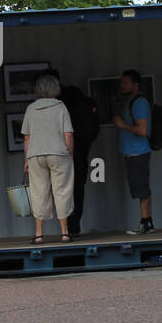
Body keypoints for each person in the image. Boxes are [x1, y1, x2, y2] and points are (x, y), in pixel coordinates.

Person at [44, 68, 99, 237]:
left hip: (63, 151)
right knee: (76, 188)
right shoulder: (77, 95)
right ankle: (73, 226)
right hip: (80, 149)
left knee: (60, 188)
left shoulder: (54, 102)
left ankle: (67, 228)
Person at [21, 73, 75, 243]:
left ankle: (38, 234)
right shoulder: (61, 107)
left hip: (35, 154)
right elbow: (68, 134)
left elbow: (27, 138)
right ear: (55, 89)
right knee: (62, 190)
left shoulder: (31, 108)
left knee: (39, 192)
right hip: (58, 153)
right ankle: (65, 232)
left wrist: (26, 160)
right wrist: (70, 155)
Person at [111, 68, 153, 234]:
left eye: (125, 82)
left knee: (142, 189)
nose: (122, 85)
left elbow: (143, 130)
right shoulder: (130, 101)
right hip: (131, 152)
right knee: (140, 188)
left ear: (135, 85)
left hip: (138, 152)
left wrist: (123, 125)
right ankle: (147, 222)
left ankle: (145, 223)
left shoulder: (139, 103)